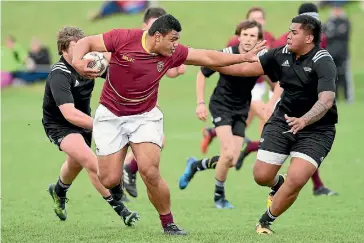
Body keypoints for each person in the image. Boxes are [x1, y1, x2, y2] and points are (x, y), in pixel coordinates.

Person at [71, 14, 265, 235]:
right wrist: (78, 61)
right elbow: (85, 42)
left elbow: (208, 57)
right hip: (110, 114)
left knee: (150, 171)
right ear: (157, 36)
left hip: (145, 116)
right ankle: (118, 176)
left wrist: (243, 57)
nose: (176, 45)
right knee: (108, 179)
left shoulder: (174, 53)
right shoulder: (123, 38)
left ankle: (168, 223)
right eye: (172, 39)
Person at [208, 14, 338, 234]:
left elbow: (326, 100)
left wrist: (305, 120)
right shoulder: (281, 54)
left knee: (296, 180)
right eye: (289, 30)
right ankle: (279, 184)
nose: (288, 35)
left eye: (294, 32)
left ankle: (265, 221)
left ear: (309, 37)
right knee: (261, 176)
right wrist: (199, 59)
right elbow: (243, 70)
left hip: (317, 129)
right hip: (283, 120)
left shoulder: (323, 60)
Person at [42, 26, 139, 226]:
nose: (82, 51)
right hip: (60, 124)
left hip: (84, 121)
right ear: (64, 49)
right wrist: (101, 124)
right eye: (77, 47)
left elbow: (118, 78)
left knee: (74, 163)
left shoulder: (91, 64)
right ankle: (122, 208)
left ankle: (58, 191)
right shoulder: (59, 74)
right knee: (89, 160)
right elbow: (69, 114)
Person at [179, 20, 265, 209]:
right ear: (239, 35)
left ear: (258, 39)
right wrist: (200, 102)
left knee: (231, 161)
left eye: (253, 36)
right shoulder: (226, 53)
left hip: (242, 109)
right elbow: (202, 73)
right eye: (245, 34)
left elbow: (276, 80)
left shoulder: (262, 57)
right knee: (227, 155)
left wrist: (274, 102)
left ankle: (195, 166)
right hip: (221, 106)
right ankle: (219, 197)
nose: (248, 39)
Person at [268, 2, 338, 197]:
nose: (316, 23)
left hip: (309, 102)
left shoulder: (319, 42)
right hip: (279, 93)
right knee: (274, 143)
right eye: (311, 18)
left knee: (303, 145)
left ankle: (316, 185)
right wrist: (272, 98)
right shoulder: (287, 42)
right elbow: (274, 71)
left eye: (317, 19)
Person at [122, 7, 186, 199]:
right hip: (124, 104)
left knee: (157, 141)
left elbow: (170, 70)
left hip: (145, 104)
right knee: (126, 147)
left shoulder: (159, 51)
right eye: (154, 26)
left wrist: (178, 67)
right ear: (144, 26)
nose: (159, 32)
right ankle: (123, 174)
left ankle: (125, 173)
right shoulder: (131, 44)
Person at [201, 6, 276, 160]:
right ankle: (261, 149)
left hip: (253, 89)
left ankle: (215, 135)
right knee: (265, 116)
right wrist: (200, 102)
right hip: (234, 94)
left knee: (233, 154)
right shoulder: (233, 46)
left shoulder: (269, 39)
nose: (257, 21)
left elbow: (274, 76)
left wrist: (275, 92)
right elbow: (207, 68)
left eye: (260, 18)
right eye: (253, 19)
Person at [323, 4, 354, 103]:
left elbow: (343, 33)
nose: (336, 11)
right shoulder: (328, 22)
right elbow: (324, 34)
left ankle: (347, 98)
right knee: (333, 77)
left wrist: (332, 33)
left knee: (344, 75)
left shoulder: (345, 22)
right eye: (334, 9)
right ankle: (334, 98)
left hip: (342, 54)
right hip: (331, 55)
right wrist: (332, 33)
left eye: (338, 9)